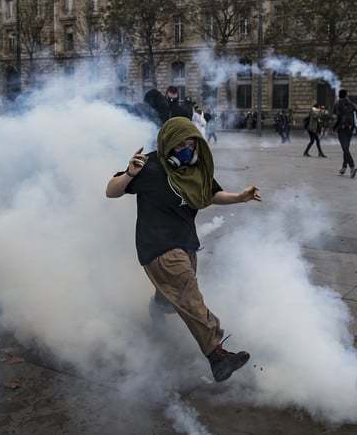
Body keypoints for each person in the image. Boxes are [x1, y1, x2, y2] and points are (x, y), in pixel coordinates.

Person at [105, 117, 261, 382]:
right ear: (168, 144)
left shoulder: (195, 170)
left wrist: (239, 198)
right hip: (157, 246)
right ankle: (217, 356)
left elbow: (209, 195)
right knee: (190, 295)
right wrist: (130, 173)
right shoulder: (149, 166)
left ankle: (157, 309)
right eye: (179, 145)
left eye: (191, 143)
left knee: (173, 297)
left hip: (185, 243)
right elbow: (111, 191)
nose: (186, 149)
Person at [333, 90, 357, 178]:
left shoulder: (336, 104)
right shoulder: (351, 103)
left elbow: (335, 115)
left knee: (345, 148)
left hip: (341, 128)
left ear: (339, 95)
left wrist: (334, 127)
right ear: (346, 95)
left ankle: (352, 167)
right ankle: (344, 167)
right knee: (346, 148)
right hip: (350, 128)